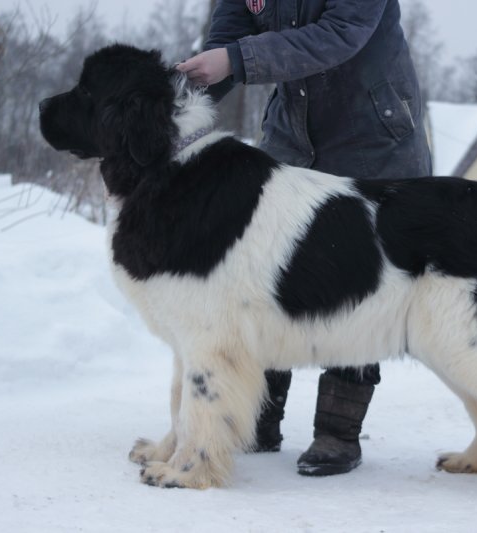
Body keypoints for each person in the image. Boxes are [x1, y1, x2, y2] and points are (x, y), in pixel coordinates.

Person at [176, 0, 432, 476]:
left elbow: (340, 32)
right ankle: (256, 419)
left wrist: (235, 59)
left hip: (374, 136)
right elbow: (230, 31)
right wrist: (189, 90)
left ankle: (337, 433)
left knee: (360, 281)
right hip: (291, 135)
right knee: (265, 274)